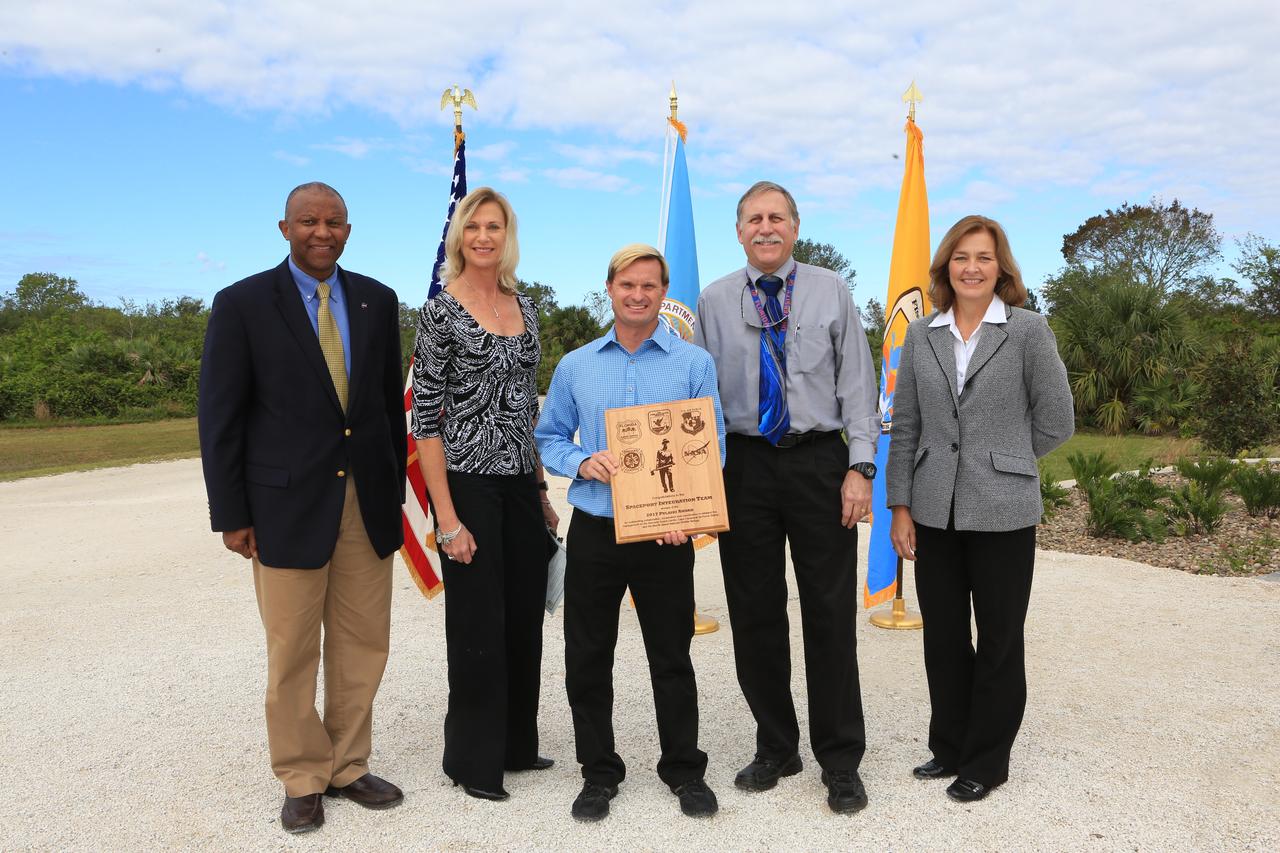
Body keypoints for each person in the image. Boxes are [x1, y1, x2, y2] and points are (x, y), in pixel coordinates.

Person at [198, 182, 407, 834]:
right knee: (292, 650)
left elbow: (382, 409)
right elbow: (220, 416)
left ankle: (347, 765)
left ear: (349, 228)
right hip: (284, 506)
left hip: (364, 502)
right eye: (309, 221)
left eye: (334, 221)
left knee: (363, 642)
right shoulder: (242, 304)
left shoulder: (378, 299)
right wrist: (232, 512)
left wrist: (394, 491)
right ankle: (302, 774)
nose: (323, 231)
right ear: (284, 227)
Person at [695, 181, 878, 815]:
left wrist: (860, 466)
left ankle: (840, 757)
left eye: (777, 217)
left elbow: (858, 383)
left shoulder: (831, 290)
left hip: (820, 463)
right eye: (754, 219)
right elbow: (698, 396)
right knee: (754, 612)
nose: (765, 227)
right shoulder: (714, 301)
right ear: (739, 231)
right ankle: (776, 744)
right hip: (744, 466)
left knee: (829, 613)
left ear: (795, 227)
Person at [886, 214, 1074, 803]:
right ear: (947, 267)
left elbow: (1057, 418)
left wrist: (1009, 458)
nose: (972, 267)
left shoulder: (1028, 331)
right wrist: (899, 504)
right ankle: (948, 748)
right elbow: (907, 424)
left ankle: (987, 761)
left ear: (1002, 269)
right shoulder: (922, 336)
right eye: (962, 257)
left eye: (984, 258)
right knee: (942, 637)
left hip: (1004, 511)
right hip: (932, 510)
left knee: (998, 638)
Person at [534, 243, 725, 823]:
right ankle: (599, 771)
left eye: (650, 285)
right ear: (610, 290)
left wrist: (685, 516)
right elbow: (548, 438)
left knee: (672, 657)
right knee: (588, 656)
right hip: (595, 528)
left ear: (663, 293)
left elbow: (710, 445)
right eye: (627, 285)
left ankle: (684, 770)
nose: (638, 295)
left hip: (666, 537)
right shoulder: (576, 366)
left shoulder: (693, 363)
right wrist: (581, 462)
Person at [409, 187, 559, 802]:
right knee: (477, 623)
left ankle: (518, 745)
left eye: (494, 227)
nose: (484, 237)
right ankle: (474, 762)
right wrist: (447, 517)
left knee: (525, 616)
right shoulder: (441, 312)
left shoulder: (526, 308)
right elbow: (427, 422)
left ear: (508, 235)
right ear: (460, 237)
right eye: (474, 227)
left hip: (520, 483)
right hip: (466, 485)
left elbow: (526, 407)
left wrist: (542, 491)